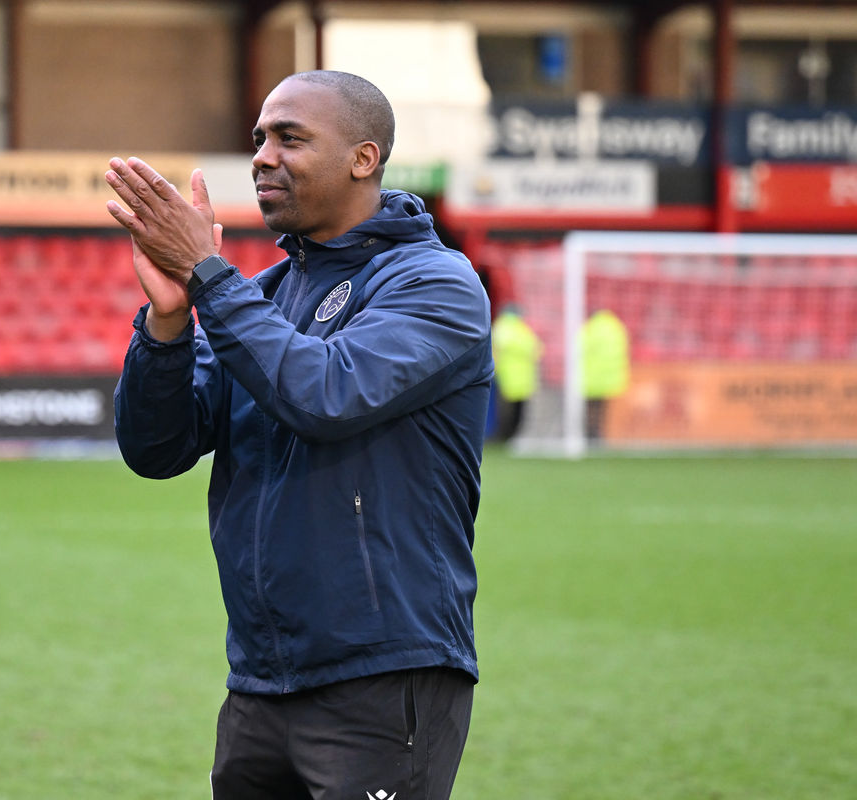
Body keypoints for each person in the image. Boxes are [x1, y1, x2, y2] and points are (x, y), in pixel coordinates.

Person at [105, 70, 492, 799]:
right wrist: (165, 324)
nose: (261, 155)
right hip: (261, 680)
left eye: (290, 137)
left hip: (382, 675)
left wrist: (208, 280)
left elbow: (326, 395)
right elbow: (156, 451)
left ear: (363, 158)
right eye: (258, 139)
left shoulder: (435, 284)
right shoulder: (257, 296)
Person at [490, 303, 542, 443]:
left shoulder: (501, 327)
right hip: (524, 376)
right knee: (519, 410)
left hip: (507, 375)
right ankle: (512, 436)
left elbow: (496, 349)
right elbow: (537, 350)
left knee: (506, 409)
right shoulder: (524, 329)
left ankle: (505, 437)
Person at [581, 307, 630, 442]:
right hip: (609, 377)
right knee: (601, 407)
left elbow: (581, 348)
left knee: (589, 406)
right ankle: (597, 433)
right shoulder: (616, 327)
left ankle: (589, 433)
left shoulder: (590, 328)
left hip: (590, 375)